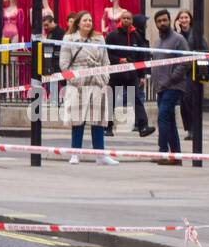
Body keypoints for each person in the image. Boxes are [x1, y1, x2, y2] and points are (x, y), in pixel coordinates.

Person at [60, 11, 117, 165]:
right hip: (78, 84)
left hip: (98, 83)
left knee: (98, 120)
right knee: (78, 120)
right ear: (78, 22)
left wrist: (105, 77)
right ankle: (75, 153)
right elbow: (64, 64)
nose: (88, 23)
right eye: (85, 20)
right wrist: (74, 79)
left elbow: (106, 61)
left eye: (90, 20)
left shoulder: (99, 38)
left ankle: (100, 155)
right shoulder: (69, 38)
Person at [104, 9, 154, 138]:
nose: (126, 20)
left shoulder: (136, 36)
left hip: (131, 75)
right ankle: (107, 127)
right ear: (120, 20)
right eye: (124, 18)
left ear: (132, 21)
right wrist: (119, 60)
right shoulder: (112, 36)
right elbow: (106, 55)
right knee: (112, 100)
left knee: (136, 99)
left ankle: (143, 126)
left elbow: (141, 56)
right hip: (116, 74)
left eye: (128, 18)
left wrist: (142, 75)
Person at [151, 9, 189, 165]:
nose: (162, 23)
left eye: (165, 20)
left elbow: (185, 61)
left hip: (174, 86)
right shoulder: (157, 42)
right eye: (159, 21)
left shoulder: (178, 39)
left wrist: (172, 78)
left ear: (170, 20)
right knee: (169, 120)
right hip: (161, 87)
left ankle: (162, 151)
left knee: (162, 117)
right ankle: (176, 156)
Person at [174, 9, 208, 141]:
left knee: (191, 99)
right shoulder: (175, 34)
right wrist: (177, 32)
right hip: (181, 71)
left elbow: (205, 49)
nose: (183, 20)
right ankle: (189, 129)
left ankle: (194, 129)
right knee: (184, 101)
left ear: (190, 19)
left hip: (194, 71)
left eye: (186, 17)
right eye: (181, 18)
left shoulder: (196, 34)